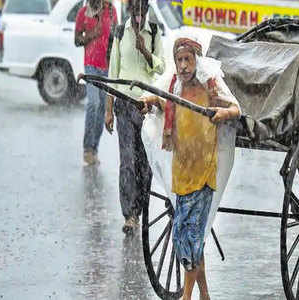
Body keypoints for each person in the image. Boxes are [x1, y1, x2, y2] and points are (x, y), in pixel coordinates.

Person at [141, 37, 241, 300]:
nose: (183, 66)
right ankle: (204, 294)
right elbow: (162, 103)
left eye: (188, 60)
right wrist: (149, 100)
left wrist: (223, 114)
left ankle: (187, 296)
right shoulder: (174, 86)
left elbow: (235, 108)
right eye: (179, 61)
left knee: (193, 236)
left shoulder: (210, 85)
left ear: (198, 61)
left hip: (204, 170)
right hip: (182, 171)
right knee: (184, 236)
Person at [104, 0, 165, 234]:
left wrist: (145, 52)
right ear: (130, 11)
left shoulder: (154, 33)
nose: (139, 15)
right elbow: (113, 72)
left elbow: (161, 68)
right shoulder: (120, 33)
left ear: (147, 11)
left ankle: (141, 209)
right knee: (127, 161)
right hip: (124, 105)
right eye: (135, 10)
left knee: (144, 163)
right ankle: (129, 214)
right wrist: (109, 110)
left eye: (143, 10)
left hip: (147, 107)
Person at [75, 0, 117, 165]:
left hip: (106, 67)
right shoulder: (84, 12)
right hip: (91, 65)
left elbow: (116, 38)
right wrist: (92, 34)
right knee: (93, 103)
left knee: (102, 108)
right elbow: (77, 40)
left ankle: (94, 149)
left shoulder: (111, 11)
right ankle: (87, 148)